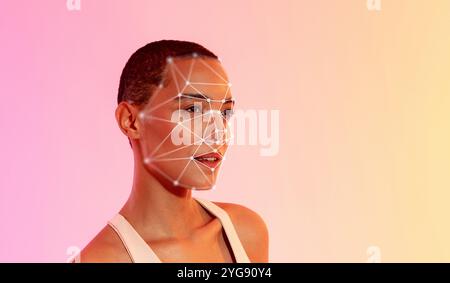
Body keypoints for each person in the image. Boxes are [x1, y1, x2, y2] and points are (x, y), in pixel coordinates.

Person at [80, 40, 269, 263]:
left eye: (225, 113)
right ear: (130, 121)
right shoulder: (102, 259)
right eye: (192, 110)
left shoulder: (245, 232)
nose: (219, 134)